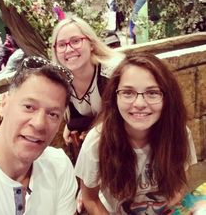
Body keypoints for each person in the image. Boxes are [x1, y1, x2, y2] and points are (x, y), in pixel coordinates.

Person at [75, 53, 197, 214]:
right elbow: (90, 199)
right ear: (115, 97)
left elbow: (181, 182)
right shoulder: (97, 141)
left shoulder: (178, 133)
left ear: (167, 97)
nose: (139, 103)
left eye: (152, 92)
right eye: (128, 92)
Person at [0, 56, 78, 215]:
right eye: (29, 107)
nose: (39, 123)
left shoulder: (59, 166)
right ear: (4, 104)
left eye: (53, 114)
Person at [51, 16, 124, 162]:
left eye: (76, 41)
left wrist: (90, 129)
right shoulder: (62, 82)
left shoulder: (113, 72)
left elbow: (120, 117)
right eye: (61, 45)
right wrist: (72, 123)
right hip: (100, 151)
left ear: (91, 44)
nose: (69, 49)